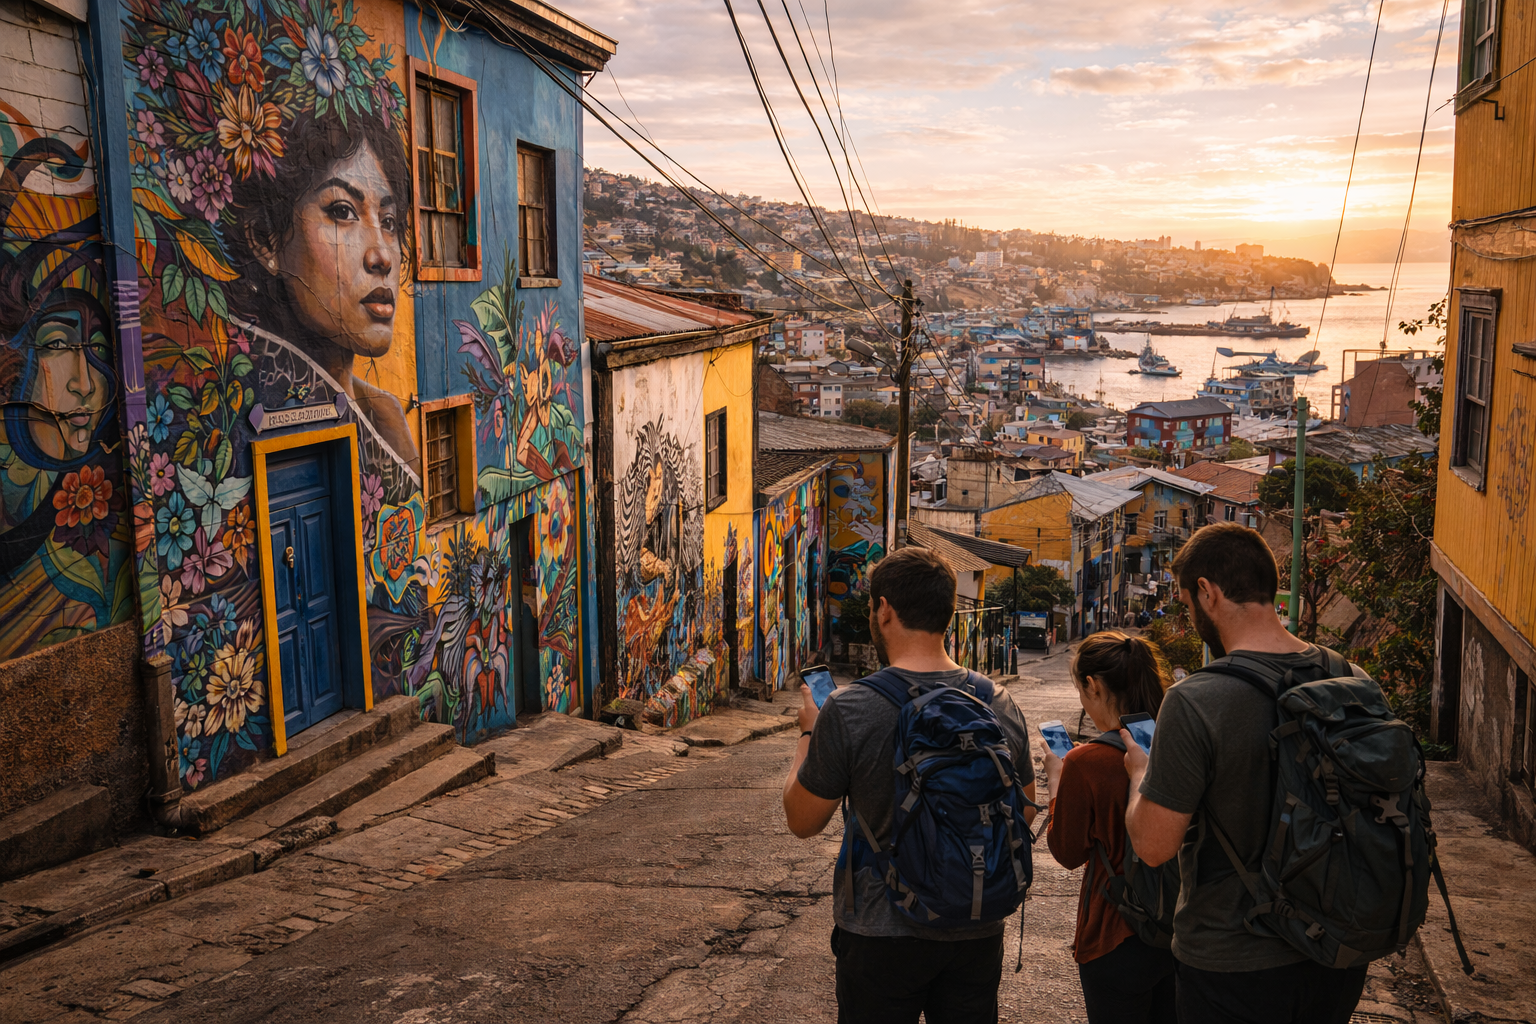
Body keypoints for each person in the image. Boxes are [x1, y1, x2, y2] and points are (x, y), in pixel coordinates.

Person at [1122, 523, 1370, 1024]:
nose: (1190, 612)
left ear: (1207, 593)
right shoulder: (1350, 676)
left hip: (1233, 961)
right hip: (1336, 950)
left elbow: (1153, 846)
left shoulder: (1196, 701)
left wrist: (1139, 775)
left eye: (1187, 600)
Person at [783, 547, 1036, 1024]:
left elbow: (803, 821)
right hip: (976, 926)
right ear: (950, 611)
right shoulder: (997, 701)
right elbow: (1022, 813)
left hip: (880, 931)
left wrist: (807, 733)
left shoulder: (850, 708)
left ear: (884, 610)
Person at [1041, 631, 1177, 1024]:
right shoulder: (1180, 742)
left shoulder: (1087, 762)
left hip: (1116, 933)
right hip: (1181, 929)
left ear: (1094, 686)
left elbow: (1067, 852)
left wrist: (1057, 785)